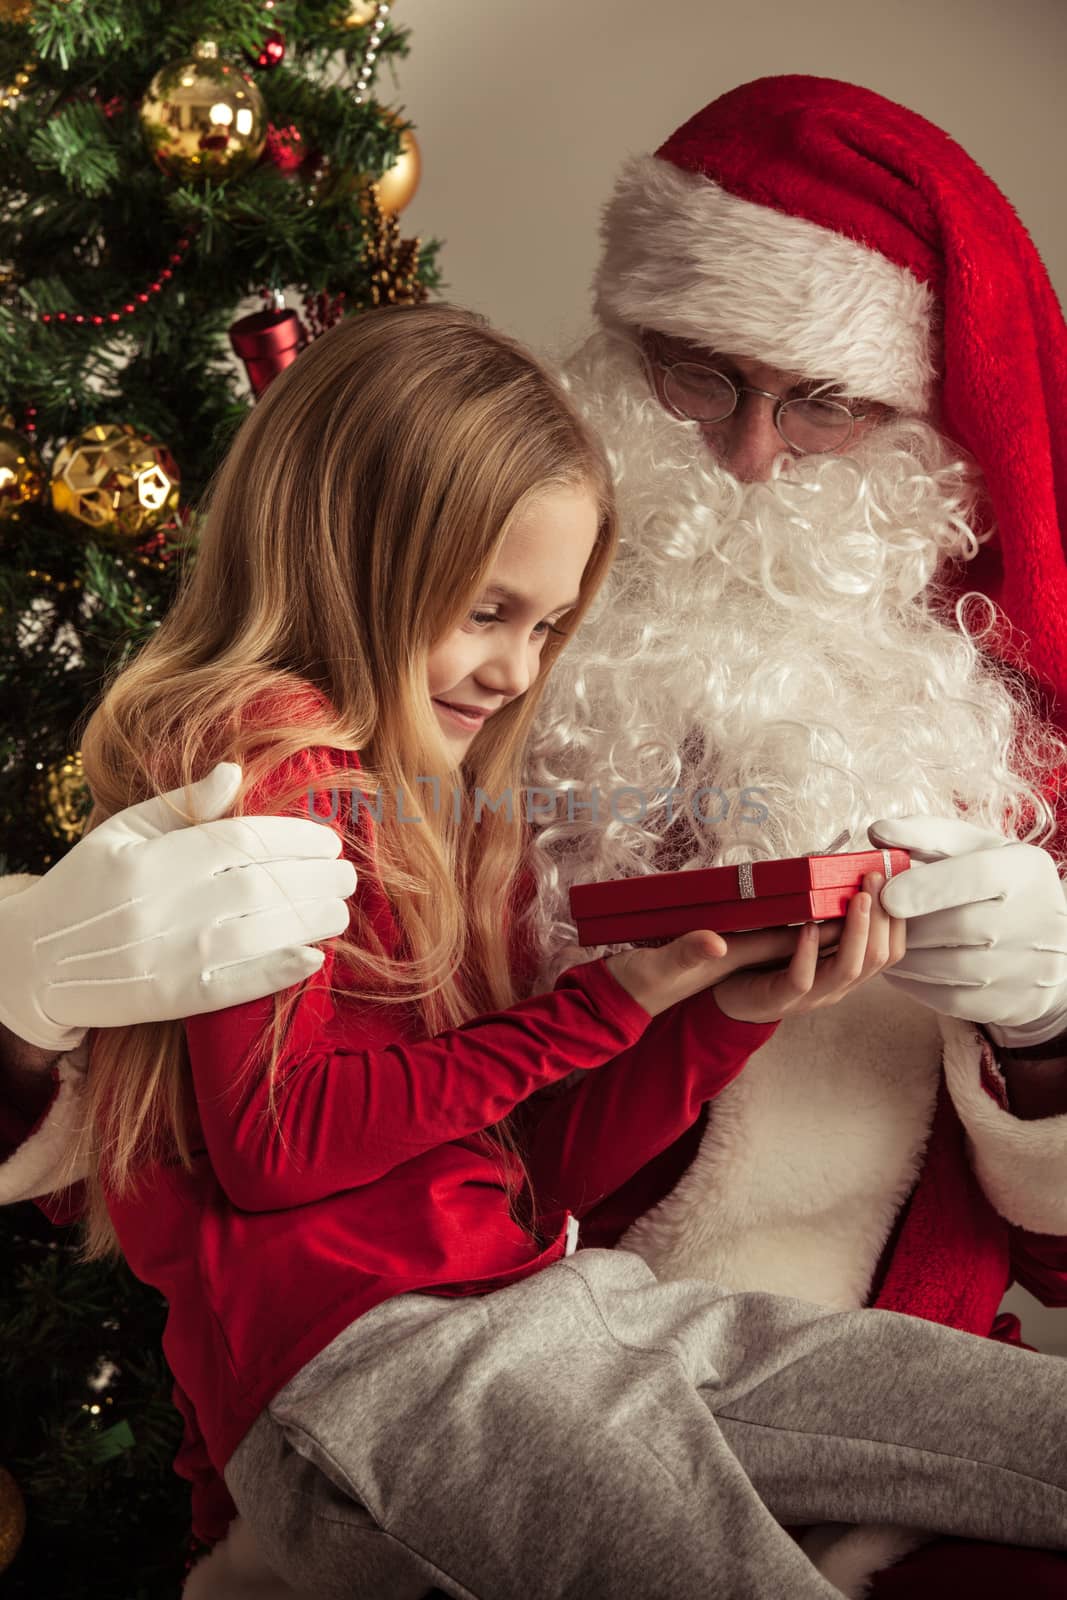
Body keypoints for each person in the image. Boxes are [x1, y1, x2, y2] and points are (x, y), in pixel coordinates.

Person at [5, 300, 1067, 1600]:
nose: (519, 669)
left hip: (550, 1306)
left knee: (1034, 1432)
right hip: (375, 1367)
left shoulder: (446, 807)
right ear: (356, 558)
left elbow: (533, 1166)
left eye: (550, 627)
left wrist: (712, 1005)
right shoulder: (263, 780)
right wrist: (597, 1006)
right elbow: (277, 1152)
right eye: (490, 611)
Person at [514, 74, 1067, 1595]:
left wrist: (1051, 1019)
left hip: (875, 1400)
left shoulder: (1018, 740)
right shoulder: (468, 653)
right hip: (494, 1372)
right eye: (699, 376)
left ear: (931, 429)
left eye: (824, 402)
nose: (751, 458)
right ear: (623, 358)